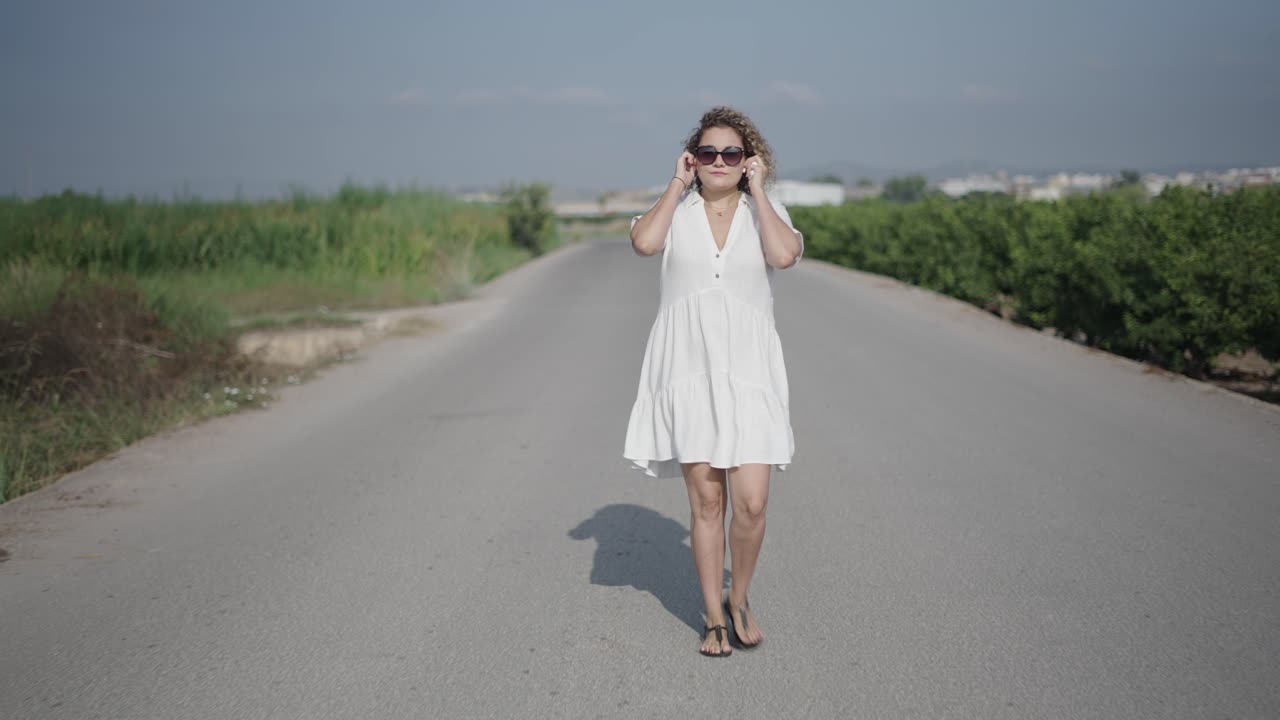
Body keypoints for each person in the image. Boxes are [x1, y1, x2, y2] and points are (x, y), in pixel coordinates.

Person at [623, 106, 803, 657]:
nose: (718, 161)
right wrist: (676, 186)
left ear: (747, 160)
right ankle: (712, 615)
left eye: (731, 153)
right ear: (693, 160)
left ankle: (739, 596)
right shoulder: (676, 212)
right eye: (707, 153)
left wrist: (761, 192)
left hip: (750, 374)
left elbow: (784, 256)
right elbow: (644, 243)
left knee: (750, 502)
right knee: (707, 503)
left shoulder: (764, 213)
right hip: (690, 372)